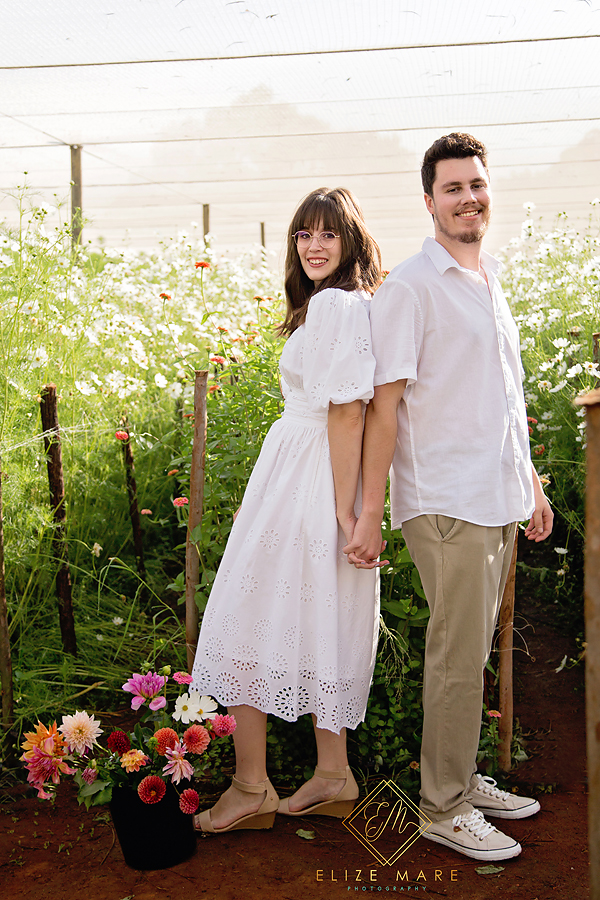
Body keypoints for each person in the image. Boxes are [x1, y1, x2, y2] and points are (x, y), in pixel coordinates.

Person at [345, 133, 553, 861]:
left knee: (472, 652)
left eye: (477, 185)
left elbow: (502, 397)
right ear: (429, 201)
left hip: (494, 494)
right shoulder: (410, 287)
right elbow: (384, 407)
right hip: (446, 501)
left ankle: (461, 779)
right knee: (457, 657)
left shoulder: (488, 278)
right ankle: (443, 807)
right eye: (453, 188)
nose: (469, 198)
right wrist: (372, 513)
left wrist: (529, 483)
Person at [191, 187, 383, 833]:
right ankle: (332, 773)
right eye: (304, 233)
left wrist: (344, 510)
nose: (314, 245)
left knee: (245, 619)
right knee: (317, 616)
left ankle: (252, 786)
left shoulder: (335, 305)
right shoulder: (348, 304)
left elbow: (347, 411)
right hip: (305, 471)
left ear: (352, 240)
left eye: (329, 233)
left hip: (311, 477)